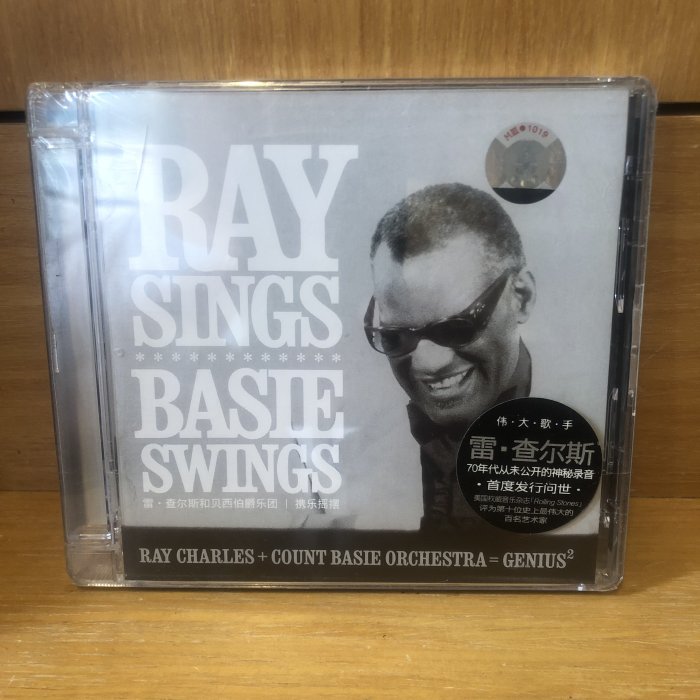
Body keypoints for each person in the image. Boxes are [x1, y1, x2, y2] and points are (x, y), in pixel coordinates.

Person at [365, 183, 536, 530]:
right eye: (395, 337)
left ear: (521, 297)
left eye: (456, 329)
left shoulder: (594, 431)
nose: (427, 363)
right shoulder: (356, 470)